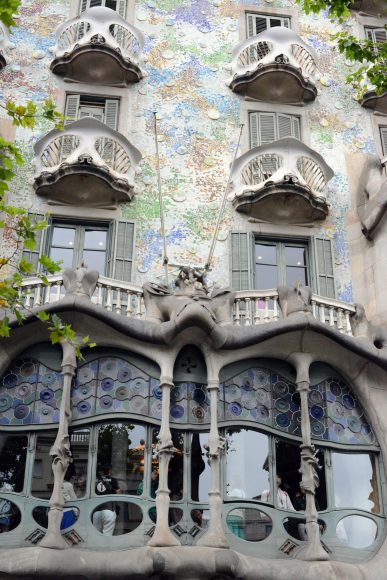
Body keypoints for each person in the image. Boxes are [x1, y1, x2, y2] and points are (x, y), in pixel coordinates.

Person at [93, 465, 121, 535]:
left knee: (96, 534)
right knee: (107, 535)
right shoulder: (113, 480)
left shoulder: (96, 480)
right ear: (110, 471)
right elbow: (118, 493)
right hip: (109, 508)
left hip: (96, 509)